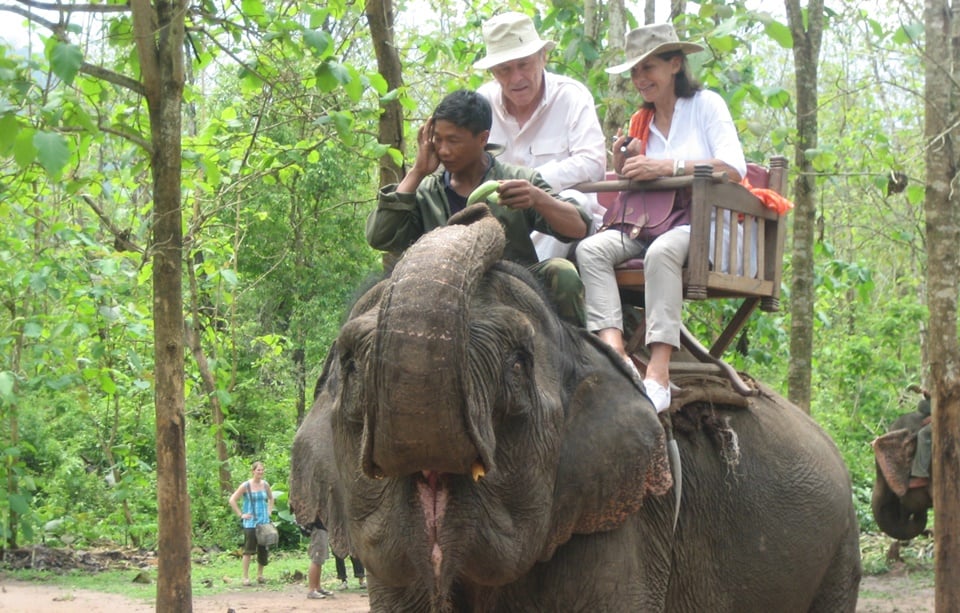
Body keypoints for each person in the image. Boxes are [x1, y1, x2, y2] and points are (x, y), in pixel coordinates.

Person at [575, 23, 747, 412]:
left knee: (662, 252)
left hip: (701, 224)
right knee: (590, 250)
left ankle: (659, 371)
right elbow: (638, 180)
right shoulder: (643, 121)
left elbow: (734, 167)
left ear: (675, 64)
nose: (640, 78)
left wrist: (667, 166)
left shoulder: (706, 105)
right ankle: (615, 351)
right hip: (648, 221)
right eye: (634, 71)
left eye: (648, 67)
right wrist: (625, 164)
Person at [365, 89, 592, 326]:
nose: (443, 150)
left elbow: (578, 228)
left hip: (514, 287)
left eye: (453, 140)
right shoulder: (425, 191)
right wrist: (417, 172)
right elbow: (380, 237)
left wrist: (538, 198)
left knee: (563, 272)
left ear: (483, 139)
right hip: (443, 289)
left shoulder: (518, 180)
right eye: (438, 140)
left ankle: (576, 346)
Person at [474, 11, 607, 261]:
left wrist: (532, 185)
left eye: (524, 64)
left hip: (563, 218)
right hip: (499, 216)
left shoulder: (571, 96)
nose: (516, 78)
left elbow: (593, 163)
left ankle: (528, 279)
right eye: (504, 69)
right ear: (493, 72)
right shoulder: (482, 103)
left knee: (572, 199)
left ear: (543, 57)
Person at [228, 461, 275, 586]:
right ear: (253, 471)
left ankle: (260, 575)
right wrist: (241, 514)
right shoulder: (246, 485)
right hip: (250, 523)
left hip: (264, 522)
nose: (260, 472)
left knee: (263, 549)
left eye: (262, 470)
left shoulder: (265, 484)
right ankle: (245, 577)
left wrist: (269, 511)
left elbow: (271, 498)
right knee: (248, 550)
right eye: (258, 470)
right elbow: (232, 500)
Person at [306, 524, 335, 599]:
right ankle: (311, 590)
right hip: (317, 528)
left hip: (322, 528)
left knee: (320, 560)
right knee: (316, 559)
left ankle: (318, 588)